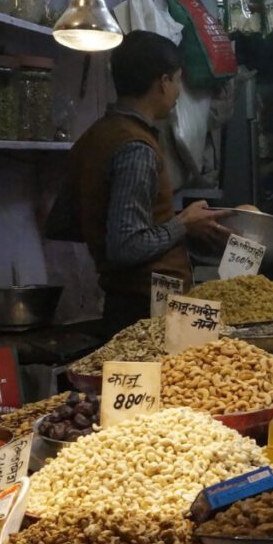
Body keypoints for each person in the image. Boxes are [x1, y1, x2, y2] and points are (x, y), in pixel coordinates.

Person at [62, 30, 231, 337]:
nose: (178, 91)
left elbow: (78, 223)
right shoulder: (135, 147)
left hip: (128, 301)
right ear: (162, 82)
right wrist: (183, 223)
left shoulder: (99, 133)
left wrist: (183, 228)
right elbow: (125, 246)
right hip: (143, 306)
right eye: (178, 80)